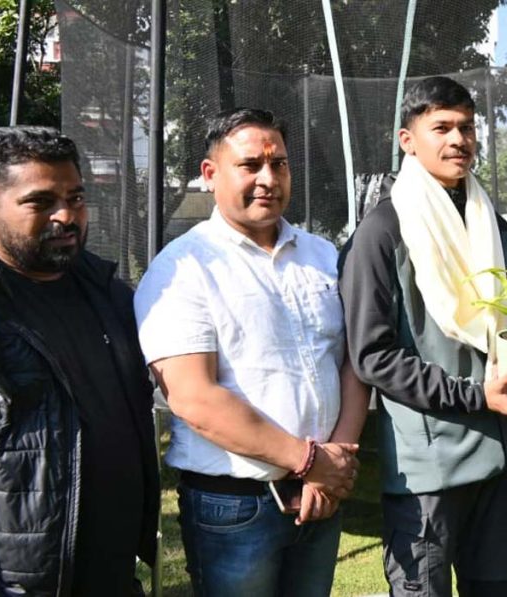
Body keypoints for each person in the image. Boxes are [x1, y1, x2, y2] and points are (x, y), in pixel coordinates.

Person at [134, 108, 367, 596]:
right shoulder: (182, 268)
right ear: (210, 174)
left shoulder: (324, 256)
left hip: (322, 493)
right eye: (250, 165)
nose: (268, 179)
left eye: (278, 164)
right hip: (235, 507)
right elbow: (193, 397)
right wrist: (310, 461)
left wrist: (337, 460)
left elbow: (352, 361)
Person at [339, 76, 507, 597]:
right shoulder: (383, 232)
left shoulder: (490, 223)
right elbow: (373, 355)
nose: (459, 140)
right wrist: (476, 395)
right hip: (428, 471)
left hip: (498, 457)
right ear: (408, 140)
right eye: (442, 128)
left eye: (467, 127)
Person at [0, 126, 159, 596]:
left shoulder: (106, 292)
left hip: (113, 575)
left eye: (75, 198)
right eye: (40, 202)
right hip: (13, 585)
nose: (66, 216)